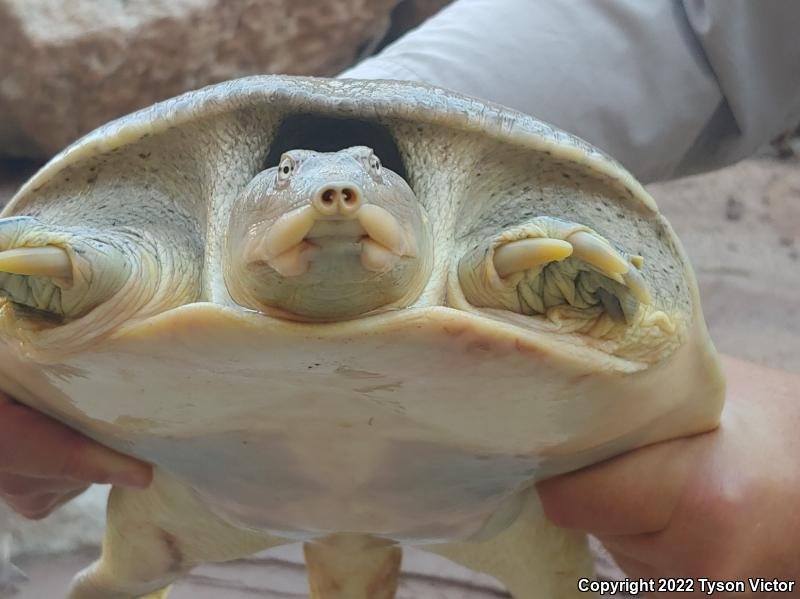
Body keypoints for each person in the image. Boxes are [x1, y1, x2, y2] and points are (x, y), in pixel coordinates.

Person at [2, 0, 799, 592]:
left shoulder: (500, 267)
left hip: (513, 505)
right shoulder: (148, 259)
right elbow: (694, 22)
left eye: (369, 182)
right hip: (191, 488)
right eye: (291, 184)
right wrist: (366, 113)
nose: (337, 196)